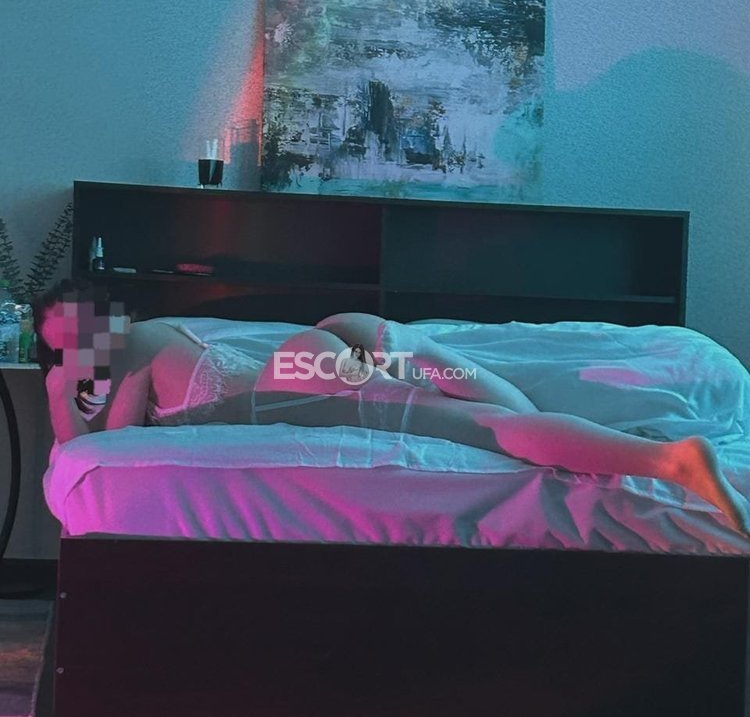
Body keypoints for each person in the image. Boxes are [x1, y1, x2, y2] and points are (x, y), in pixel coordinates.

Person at [33, 279, 749, 535]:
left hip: (297, 382)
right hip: (305, 366)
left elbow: (101, 450)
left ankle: (668, 460)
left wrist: (59, 393)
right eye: (59, 343)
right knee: (491, 413)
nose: (74, 348)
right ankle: (641, 445)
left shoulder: (132, 350)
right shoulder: (138, 345)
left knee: (494, 428)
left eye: (76, 333)